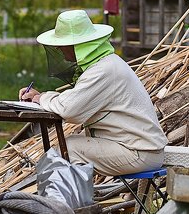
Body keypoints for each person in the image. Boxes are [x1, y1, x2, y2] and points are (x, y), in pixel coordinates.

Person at [19, 10, 167, 176]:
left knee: (68, 149)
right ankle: (73, 200)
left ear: (76, 44)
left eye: (62, 43)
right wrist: (42, 97)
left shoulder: (103, 70)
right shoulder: (105, 65)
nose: (59, 48)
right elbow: (74, 100)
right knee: (71, 146)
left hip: (139, 152)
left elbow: (69, 110)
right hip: (140, 149)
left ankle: (63, 202)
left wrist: (41, 98)